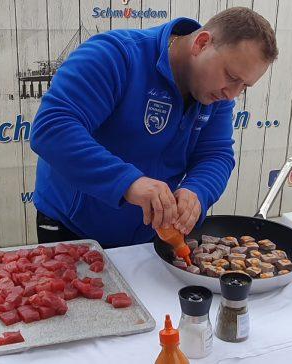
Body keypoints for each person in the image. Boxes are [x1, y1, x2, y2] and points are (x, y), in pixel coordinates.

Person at [29, 7, 278, 247]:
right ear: (201, 43)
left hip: (148, 239)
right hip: (73, 229)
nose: (232, 94)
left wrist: (197, 191)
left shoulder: (216, 93)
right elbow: (52, 128)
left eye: (244, 86)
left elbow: (215, 154)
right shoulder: (115, 55)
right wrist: (128, 182)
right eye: (232, 77)